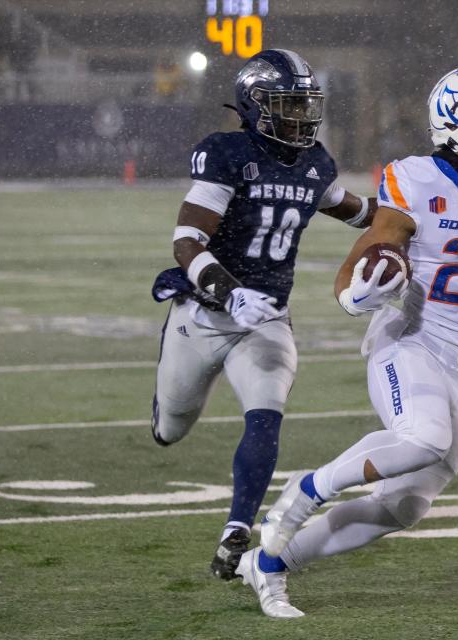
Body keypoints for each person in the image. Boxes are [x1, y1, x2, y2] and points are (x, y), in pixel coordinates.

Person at [234, 64, 458, 618]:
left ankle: (271, 564)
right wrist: (363, 293)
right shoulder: (417, 177)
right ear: (456, 122)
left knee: (406, 504)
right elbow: (365, 263)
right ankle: (307, 490)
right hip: (410, 339)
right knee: (422, 437)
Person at [149, 49, 377, 582]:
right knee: (170, 428)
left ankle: (237, 529)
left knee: (266, 410)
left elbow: (356, 211)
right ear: (255, 105)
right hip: (203, 312)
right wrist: (228, 292)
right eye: (288, 105)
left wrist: (416, 214)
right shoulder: (229, 154)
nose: (302, 117)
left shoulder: (315, 163)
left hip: (267, 317)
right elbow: (187, 239)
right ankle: (165, 410)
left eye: (306, 105)